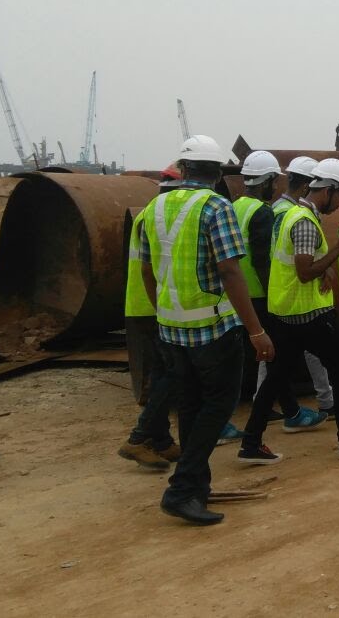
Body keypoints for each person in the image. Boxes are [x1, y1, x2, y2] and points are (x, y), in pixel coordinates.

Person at [143, 135, 275, 526]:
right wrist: (256, 330)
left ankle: (196, 488)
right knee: (218, 405)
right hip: (212, 329)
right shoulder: (216, 207)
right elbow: (230, 270)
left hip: (171, 328)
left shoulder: (154, 207)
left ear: (183, 169)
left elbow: (147, 269)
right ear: (218, 174)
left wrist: (163, 312)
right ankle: (183, 488)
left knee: (190, 406)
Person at [260, 158, 339, 460]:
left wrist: (325, 266)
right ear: (327, 190)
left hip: (286, 310)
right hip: (308, 312)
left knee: (276, 377)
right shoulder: (304, 220)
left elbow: (298, 260)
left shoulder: (291, 213)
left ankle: (251, 443)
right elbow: (304, 272)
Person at [235, 152, 325, 463]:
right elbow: (263, 260)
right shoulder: (263, 212)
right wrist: (273, 295)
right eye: (274, 181)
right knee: (275, 358)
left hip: (238, 294)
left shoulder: (236, 206)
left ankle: (289, 411)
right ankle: (288, 415)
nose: (276, 187)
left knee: (272, 359)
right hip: (262, 295)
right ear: (268, 180)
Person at [117, 171, 185, 470]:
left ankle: (161, 441)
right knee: (171, 373)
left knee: (161, 372)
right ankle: (138, 438)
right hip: (153, 304)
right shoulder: (159, 217)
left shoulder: (150, 213)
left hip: (146, 303)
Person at [265, 155, 336, 418]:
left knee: (277, 356)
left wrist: (324, 266)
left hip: (284, 293)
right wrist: (329, 260)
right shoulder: (295, 214)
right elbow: (299, 260)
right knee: (287, 356)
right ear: (308, 185)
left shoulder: (281, 209)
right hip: (295, 295)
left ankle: (264, 409)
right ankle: (326, 402)